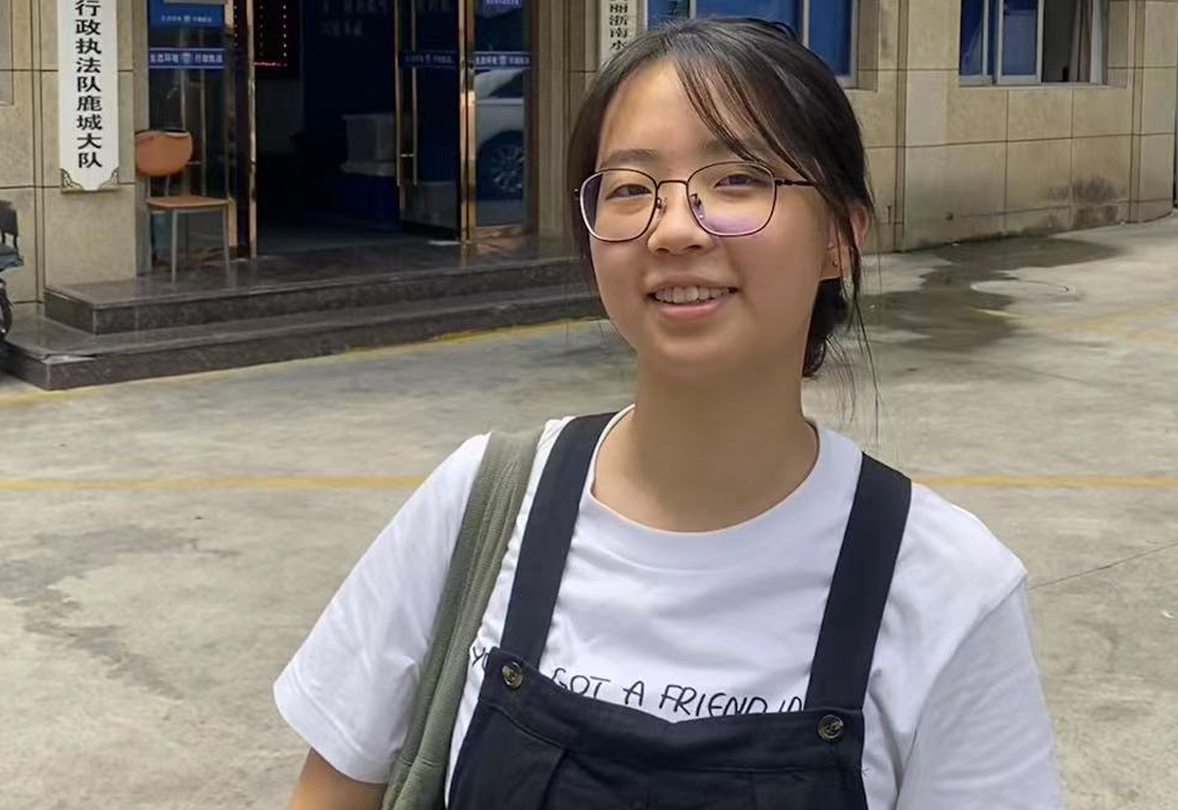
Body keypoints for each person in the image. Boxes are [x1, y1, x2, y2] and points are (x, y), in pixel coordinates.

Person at [275, 17, 1061, 810]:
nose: (676, 228)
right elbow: (332, 789)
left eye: (738, 179)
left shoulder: (947, 589)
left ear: (839, 238)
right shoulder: (481, 502)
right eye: (629, 188)